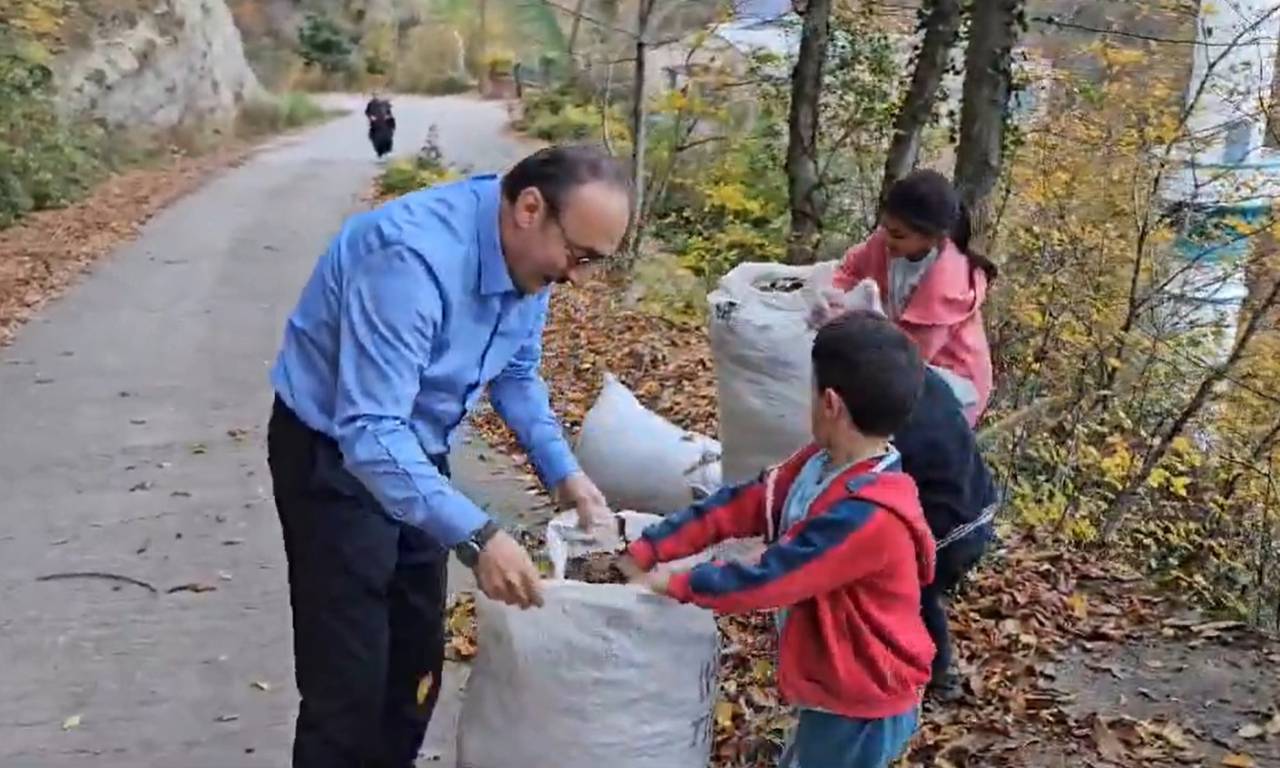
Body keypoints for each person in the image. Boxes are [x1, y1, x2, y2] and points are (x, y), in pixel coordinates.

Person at [267, 144, 631, 768]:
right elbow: (370, 430)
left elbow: (516, 374)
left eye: (596, 263)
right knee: (348, 689)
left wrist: (562, 472)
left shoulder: (533, 263)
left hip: (417, 452)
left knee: (413, 669)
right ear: (529, 208)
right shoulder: (410, 259)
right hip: (335, 456)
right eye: (578, 257)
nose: (579, 277)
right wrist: (480, 536)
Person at [621, 311, 936, 768]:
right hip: (835, 688)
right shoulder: (819, 465)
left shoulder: (868, 515)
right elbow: (744, 504)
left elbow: (773, 576)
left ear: (829, 403)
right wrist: (653, 547)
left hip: (864, 699)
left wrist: (674, 583)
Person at [811, 169, 995, 425]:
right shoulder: (885, 241)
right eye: (885, 227)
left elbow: (911, 356)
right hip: (898, 353)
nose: (886, 239)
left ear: (932, 238)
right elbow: (850, 270)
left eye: (898, 235)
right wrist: (832, 298)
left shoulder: (949, 283)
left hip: (949, 382)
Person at [894, 366, 999, 701]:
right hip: (981, 505)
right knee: (923, 592)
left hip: (950, 533)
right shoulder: (929, 378)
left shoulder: (888, 419)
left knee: (914, 593)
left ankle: (941, 675)